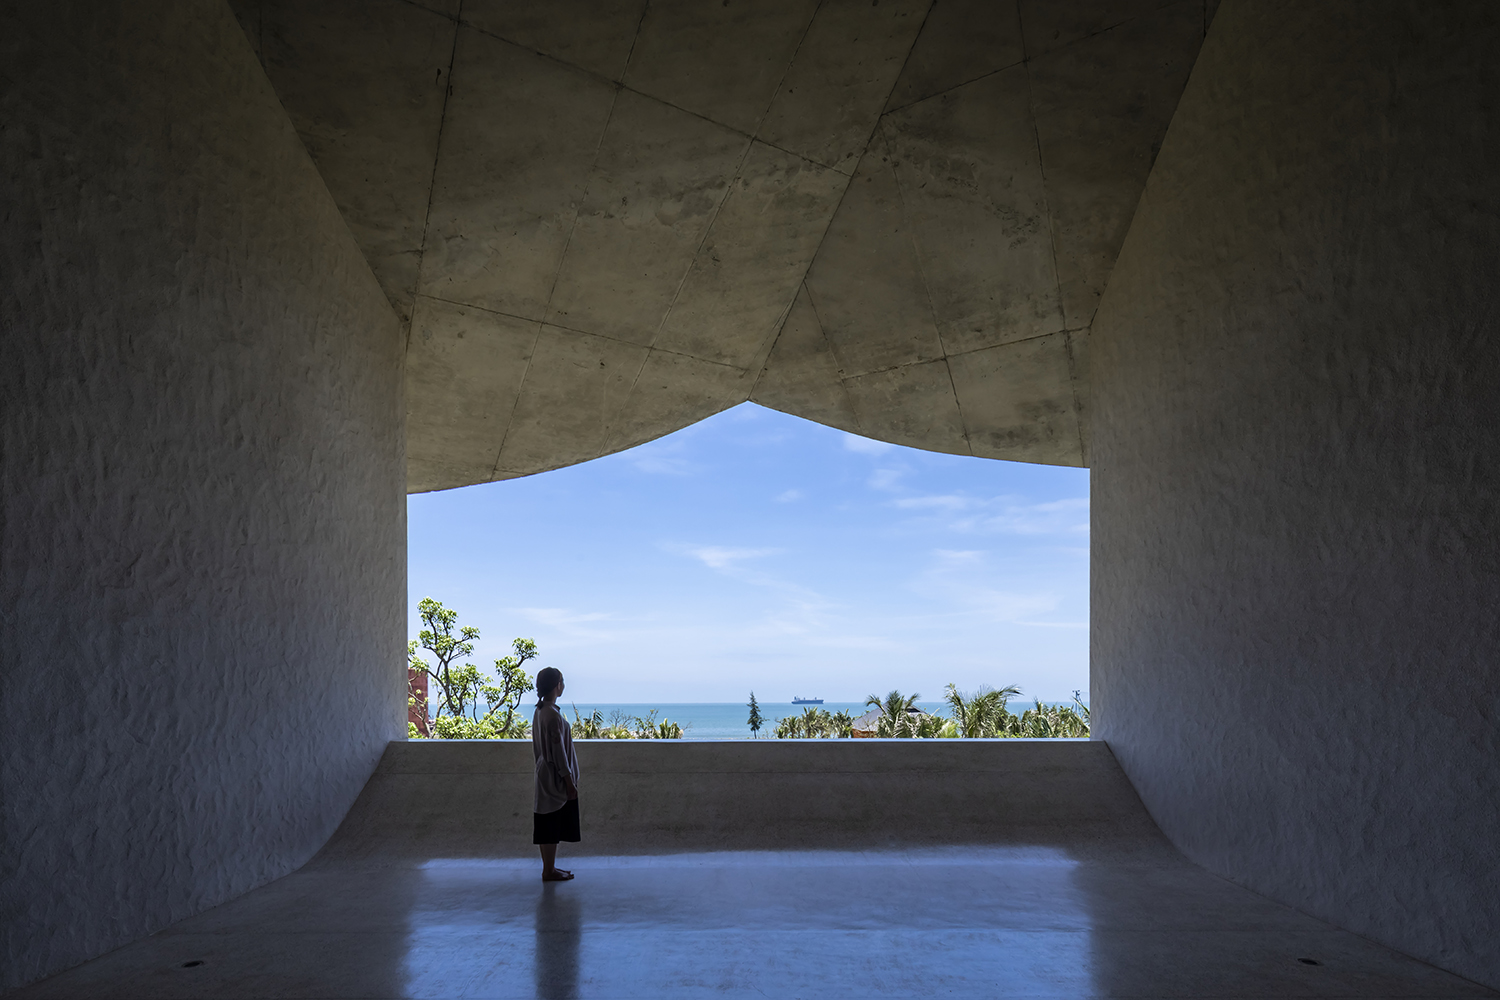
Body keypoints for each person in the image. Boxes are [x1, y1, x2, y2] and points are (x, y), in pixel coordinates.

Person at [531, 667, 580, 881]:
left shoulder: (541, 710)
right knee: (550, 823)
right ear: (557, 685)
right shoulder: (551, 714)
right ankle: (549, 870)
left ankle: (549, 868)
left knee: (547, 822)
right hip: (554, 778)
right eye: (562, 681)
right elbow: (559, 753)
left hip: (545, 774)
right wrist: (569, 782)